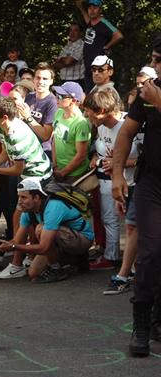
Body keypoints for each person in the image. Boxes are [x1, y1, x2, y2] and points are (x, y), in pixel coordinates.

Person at [111, 36, 161, 357]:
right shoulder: (146, 92)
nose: (155, 66)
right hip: (153, 184)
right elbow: (126, 132)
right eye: (155, 59)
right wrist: (117, 174)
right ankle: (141, 323)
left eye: (160, 60)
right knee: (151, 251)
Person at [0, 98, 53, 279]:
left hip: (39, 176)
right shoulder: (3, 127)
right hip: (28, 176)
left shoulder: (17, 134)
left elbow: (17, 169)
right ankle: (26, 258)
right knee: (25, 218)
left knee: (21, 216)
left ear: (4, 117)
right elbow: (6, 154)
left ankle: (19, 262)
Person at [83, 90, 142, 290]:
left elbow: (145, 158)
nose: (86, 116)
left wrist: (121, 163)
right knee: (130, 227)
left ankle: (128, 273)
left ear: (101, 110)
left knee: (134, 228)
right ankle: (131, 271)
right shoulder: (102, 128)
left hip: (140, 184)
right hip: (120, 184)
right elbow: (109, 157)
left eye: (89, 112)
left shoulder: (131, 125)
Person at [0, 178, 94, 283]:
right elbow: (17, 241)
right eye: (18, 196)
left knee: (40, 229)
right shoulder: (27, 210)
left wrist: (13, 247)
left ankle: (57, 268)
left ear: (36, 197)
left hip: (83, 239)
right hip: (62, 239)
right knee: (34, 273)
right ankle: (70, 260)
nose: (19, 201)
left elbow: (43, 247)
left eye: (23, 197)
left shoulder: (53, 207)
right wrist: (2, 245)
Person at [76, 0, 123, 92]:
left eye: (95, 8)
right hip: (89, 66)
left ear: (100, 10)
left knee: (99, 94)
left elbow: (119, 35)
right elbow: (81, 7)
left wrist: (107, 46)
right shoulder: (90, 22)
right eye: (90, 8)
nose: (92, 10)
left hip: (99, 68)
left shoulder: (104, 23)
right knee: (90, 94)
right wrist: (81, 7)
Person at [51, 82, 91, 184]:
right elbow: (55, 140)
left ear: (73, 100)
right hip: (58, 170)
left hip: (74, 174)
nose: (56, 98)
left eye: (61, 96)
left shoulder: (81, 123)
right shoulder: (59, 113)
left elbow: (81, 155)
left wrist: (62, 173)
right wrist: (55, 165)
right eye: (56, 95)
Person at [18, 62, 58, 158]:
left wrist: (28, 117)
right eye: (38, 77)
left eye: (45, 79)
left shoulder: (53, 102)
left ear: (51, 81)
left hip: (41, 152)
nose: (40, 81)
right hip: (24, 147)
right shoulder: (28, 96)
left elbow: (45, 136)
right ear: (34, 79)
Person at [55, 23, 85, 87]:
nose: (72, 33)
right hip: (63, 81)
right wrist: (65, 60)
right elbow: (57, 64)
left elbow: (68, 62)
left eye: (75, 30)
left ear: (81, 33)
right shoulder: (67, 45)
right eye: (71, 30)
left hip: (76, 82)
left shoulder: (81, 45)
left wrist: (62, 60)